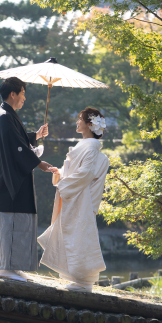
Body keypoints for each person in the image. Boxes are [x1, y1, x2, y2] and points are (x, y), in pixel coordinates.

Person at [0, 77, 55, 282]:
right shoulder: (4, 116)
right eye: (23, 92)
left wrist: (35, 136)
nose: (25, 97)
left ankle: (13, 266)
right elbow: (16, 147)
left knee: (17, 221)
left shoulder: (7, 114)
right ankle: (5, 266)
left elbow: (18, 140)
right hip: (9, 180)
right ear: (13, 94)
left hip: (14, 177)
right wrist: (38, 163)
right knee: (9, 221)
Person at [37, 107, 110, 292]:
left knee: (79, 236)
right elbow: (76, 171)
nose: (77, 122)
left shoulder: (90, 147)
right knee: (74, 235)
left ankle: (84, 280)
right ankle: (79, 278)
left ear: (89, 124)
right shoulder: (86, 145)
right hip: (75, 196)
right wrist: (60, 172)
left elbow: (85, 173)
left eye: (80, 119)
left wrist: (64, 184)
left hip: (79, 197)